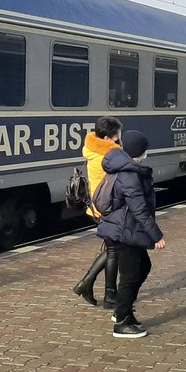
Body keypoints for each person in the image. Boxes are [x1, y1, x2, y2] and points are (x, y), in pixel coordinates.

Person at [96, 130, 165, 338]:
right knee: (130, 275)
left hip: (125, 228)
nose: (146, 155)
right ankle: (121, 321)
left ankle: (123, 312)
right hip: (125, 230)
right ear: (139, 151)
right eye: (144, 151)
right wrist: (156, 236)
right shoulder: (130, 174)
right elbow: (139, 209)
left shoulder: (125, 168)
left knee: (143, 267)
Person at [71, 116, 122, 307]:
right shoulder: (110, 156)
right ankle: (90, 286)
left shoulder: (93, 149)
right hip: (108, 208)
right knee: (113, 250)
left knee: (112, 250)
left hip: (97, 207)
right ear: (109, 137)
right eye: (116, 135)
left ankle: (105, 292)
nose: (118, 138)